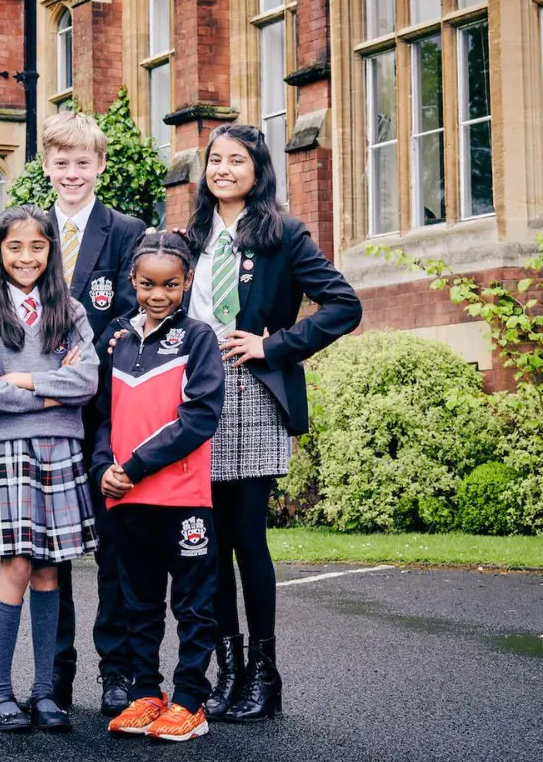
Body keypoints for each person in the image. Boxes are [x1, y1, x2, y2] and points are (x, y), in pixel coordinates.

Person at [186, 124, 362, 722]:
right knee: (203, 544)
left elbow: (344, 304)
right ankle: (226, 668)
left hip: (252, 392)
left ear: (258, 170)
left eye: (237, 160)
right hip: (193, 394)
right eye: (215, 160)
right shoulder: (190, 237)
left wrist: (276, 345)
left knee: (246, 538)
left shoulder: (283, 234)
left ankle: (264, 674)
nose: (223, 169)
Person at [0, 204, 101, 734]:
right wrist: (48, 391)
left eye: (37, 247)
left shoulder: (70, 310)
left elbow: (86, 382)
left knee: (50, 569)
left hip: (60, 449)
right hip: (7, 450)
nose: (26, 256)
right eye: (14, 247)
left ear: (51, 252)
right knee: (17, 564)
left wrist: (21, 380)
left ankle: (44, 694)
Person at [91, 231, 225, 742]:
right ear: (132, 281)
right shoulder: (119, 339)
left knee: (192, 605)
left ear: (187, 282)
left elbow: (200, 417)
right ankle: (148, 693)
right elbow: (104, 415)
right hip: (125, 498)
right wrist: (104, 466)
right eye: (147, 284)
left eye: (171, 285)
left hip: (182, 498)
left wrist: (137, 464)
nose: (158, 294)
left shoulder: (197, 338)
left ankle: (190, 700)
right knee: (138, 604)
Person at [39, 110, 146, 715]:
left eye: (82, 163)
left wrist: (84, 370)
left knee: (113, 546)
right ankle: (55, 671)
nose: (72, 173)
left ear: (100, 166)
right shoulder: (28, 230)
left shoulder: (126, 231)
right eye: (61, 163)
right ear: (48, 167)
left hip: (107, 410)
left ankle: (117, 670)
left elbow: (132, 316)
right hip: (47, 415)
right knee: (52, 547)